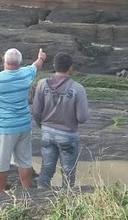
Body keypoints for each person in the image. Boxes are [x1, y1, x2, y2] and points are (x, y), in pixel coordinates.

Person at [0, 47, 46, 193]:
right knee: (24, 161)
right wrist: (41, 57)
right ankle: (26, 191)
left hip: (4, 127)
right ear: (20, 63)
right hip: (23, 124)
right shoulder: (26, 74)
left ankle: (0, 192)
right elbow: (36, 65)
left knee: (0, 163)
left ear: (3, 61)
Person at [32, 53, 89, 188]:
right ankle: (66, 201)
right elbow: (82, 117)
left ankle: (41, 197)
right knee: (68, 172)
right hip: (68, 135)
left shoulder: (41, 84)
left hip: (47, 132)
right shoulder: (77, 88)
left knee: (46, 169)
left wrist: (42, 125)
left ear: (54, 66)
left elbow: (36, 111)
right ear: (70, 69)